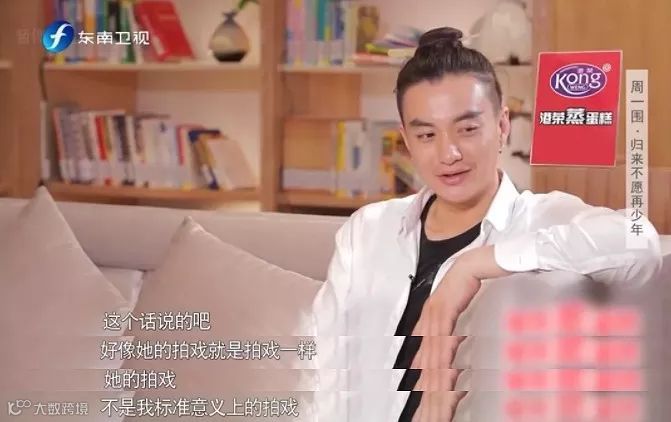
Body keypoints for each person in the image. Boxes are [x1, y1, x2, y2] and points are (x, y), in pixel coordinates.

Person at [312, 27, 662, 422]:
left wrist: (474, 265)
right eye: (426, 135)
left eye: (467, 129)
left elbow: (640, 243)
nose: (449, 153)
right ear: (406, 140)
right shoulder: (367, 229)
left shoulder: (541, 218)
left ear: (502, 126)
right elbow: (323, 366)